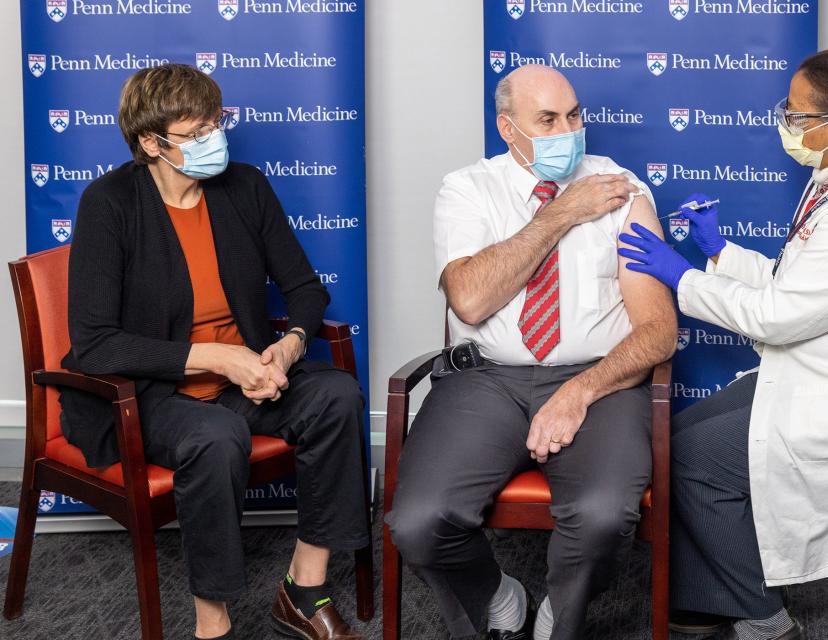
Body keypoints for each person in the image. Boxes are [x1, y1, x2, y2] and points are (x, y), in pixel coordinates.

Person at [618, 48, 828, 640]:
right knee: (679, 437)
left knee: (692, 462)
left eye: (795, 114)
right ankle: (708, 599)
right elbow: (796, 285)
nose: (785, 121)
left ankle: (766, 620)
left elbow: (777, 318)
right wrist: (720, 250)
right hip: (822, 368)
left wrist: (681, 276)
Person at [60, 64, 369, 640]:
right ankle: (213, 623)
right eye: (197, 131)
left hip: (246, 380)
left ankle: (304, 588)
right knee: (214, 437)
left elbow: (304, 288)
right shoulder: (109, 203)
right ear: (152, 144)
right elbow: (97, 344)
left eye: (216, 123)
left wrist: (289, 347)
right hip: (152, 394)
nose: (215, 139)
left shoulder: (245, 186)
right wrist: (218, 358)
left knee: (336, 395)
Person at [385, 64, 676, 640]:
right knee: (419, 523)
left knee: (600, 516)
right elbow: (468, 301)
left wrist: (580, 391)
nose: (567, 131)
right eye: (547, 119)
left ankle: (561, 617)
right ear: (508, 128)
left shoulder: (621, 188)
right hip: (486, 381)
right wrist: (562, 212)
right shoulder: (468, 189)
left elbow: (658, 330)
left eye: (574, 116)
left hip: (600, 381)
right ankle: (495, 594)